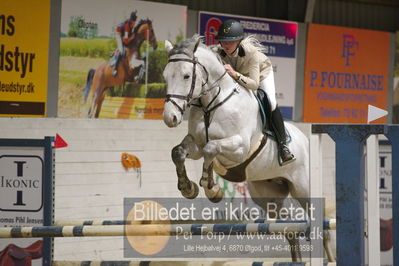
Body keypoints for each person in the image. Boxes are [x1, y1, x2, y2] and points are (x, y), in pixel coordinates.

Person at [215, 19, 295, 166]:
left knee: (270, 102)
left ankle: (284, 146)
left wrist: (235, 74)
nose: (225, 45)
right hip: (238, 74)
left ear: (238, 41)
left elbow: (254, 84)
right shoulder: (218, 51)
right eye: (223, 41)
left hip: (261, 74)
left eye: (230, 42)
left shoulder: (251, 54)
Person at [112, 11, 138, 76]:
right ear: (132, 21)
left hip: (123, 34)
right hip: (118, 33)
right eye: (134, 22)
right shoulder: (127, 26)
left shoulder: (131, 25)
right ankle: (115, 68)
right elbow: (125, 41)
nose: (135, 24)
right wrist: (131, 38)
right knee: (121, 51)